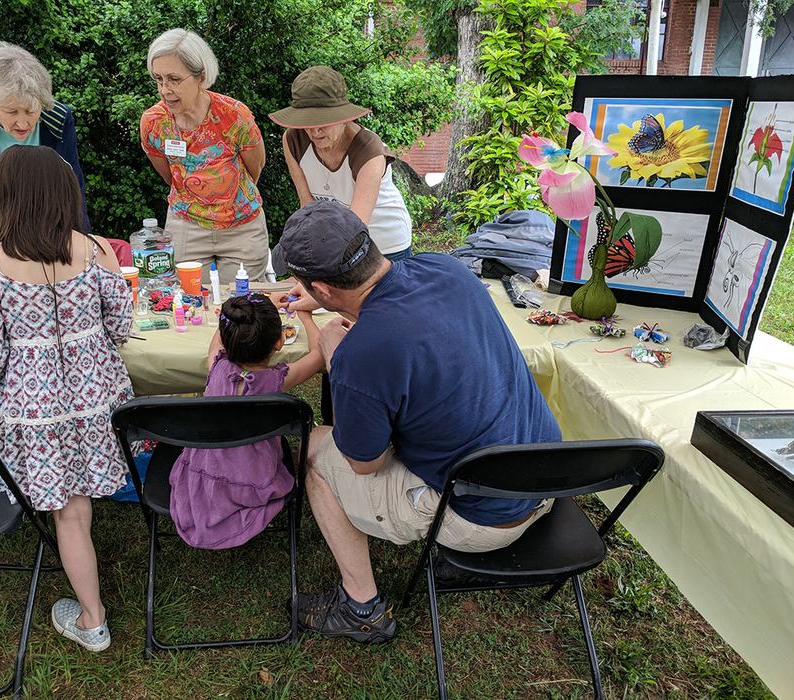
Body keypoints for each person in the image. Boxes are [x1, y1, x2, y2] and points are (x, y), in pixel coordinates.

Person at [274, 202, 561, 643]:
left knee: (316, 452)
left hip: (485, 516)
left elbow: (364, 464)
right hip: (547, 479)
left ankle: (360, 607)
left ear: (323, 289)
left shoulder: (361, 355)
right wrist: (342, 308)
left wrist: (335, 351)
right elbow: (404, 319)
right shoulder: (447, 270)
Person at [0, 146, 133, 652]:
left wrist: (4, 384)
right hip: (99, 398)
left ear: (2, 198)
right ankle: (90, 614)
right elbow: (121, 326)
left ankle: (92, 619)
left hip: (37, 409)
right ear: (65, 195)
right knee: (79, 505)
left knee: (69, 513)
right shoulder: (97, 249)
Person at [169, 292, 324, 549]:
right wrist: (306, 316)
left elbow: (219, 337)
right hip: (255, 475)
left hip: (208, 467)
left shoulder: (216, 365)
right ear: (279, 341)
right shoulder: (278, 380)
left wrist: (257, 306)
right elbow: (320, 352)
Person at [0, 41, 100, 288]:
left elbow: (72, 193)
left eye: (31, 111)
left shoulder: (58, 119)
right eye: (12, 112)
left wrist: (85, 260)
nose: (23, 123)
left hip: (52, 243)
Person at [140, 29, 269, 283]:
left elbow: (256, 167)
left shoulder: (234, 115)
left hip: (242, 226)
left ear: (201, 78)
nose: (165, 90)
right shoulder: (153, 122)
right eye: (159, 79)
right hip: (186, 225)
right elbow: (169, 176)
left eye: (174, 79)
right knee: (190, 307)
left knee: (244, 307)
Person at [269, 66, 413, 262]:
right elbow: (307, 205)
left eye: (324, 122)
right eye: (308, 123)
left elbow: (355, 224)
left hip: (385, 241)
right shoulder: (293, 140)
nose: (315, 131)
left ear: (344, 118)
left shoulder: (369, 150)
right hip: (334, 237)